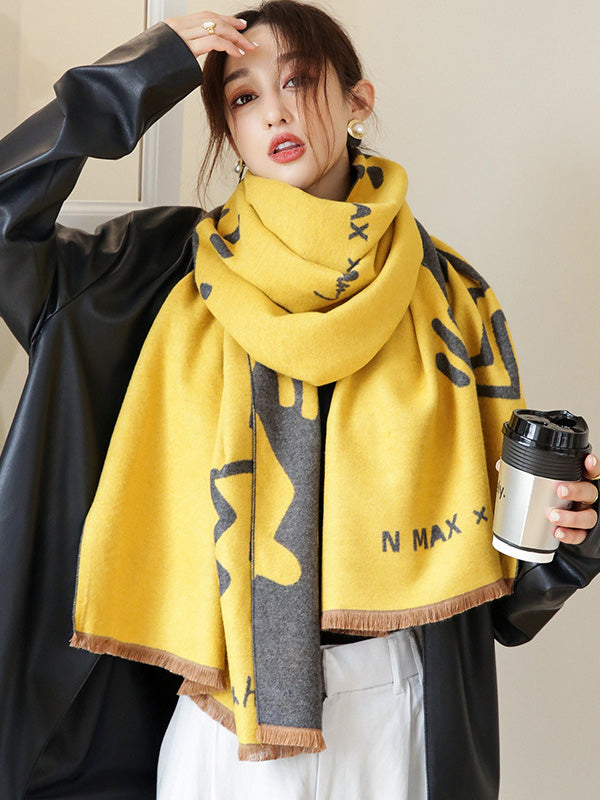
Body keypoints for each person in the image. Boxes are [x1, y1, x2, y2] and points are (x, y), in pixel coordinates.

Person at [0, 2, 598, 798]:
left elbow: (502, 597)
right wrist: (143, 74)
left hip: (399, 708)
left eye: (299, 80)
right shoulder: (155, 273)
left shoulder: (451, 297)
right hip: (218, 719)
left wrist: (572, 537)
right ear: (229, 130)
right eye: (243, 96)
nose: (274, 111)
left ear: (358, 101)